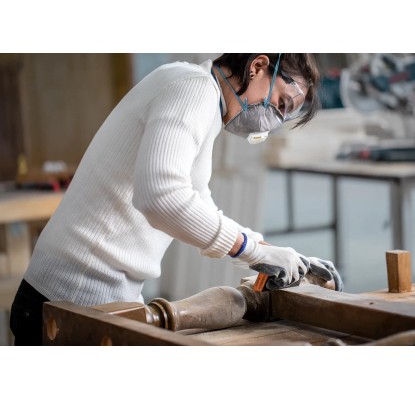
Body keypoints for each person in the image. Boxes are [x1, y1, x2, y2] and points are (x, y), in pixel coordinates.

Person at [10, 53, 343, 345]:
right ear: (257, 66)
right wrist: (253, 252)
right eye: (281, 104)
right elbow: (161, 195)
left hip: (91, 297)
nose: (274, 120)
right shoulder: (193, 88)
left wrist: (269, 252)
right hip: (68, 299)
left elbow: (197, 201)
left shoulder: (203, 98)